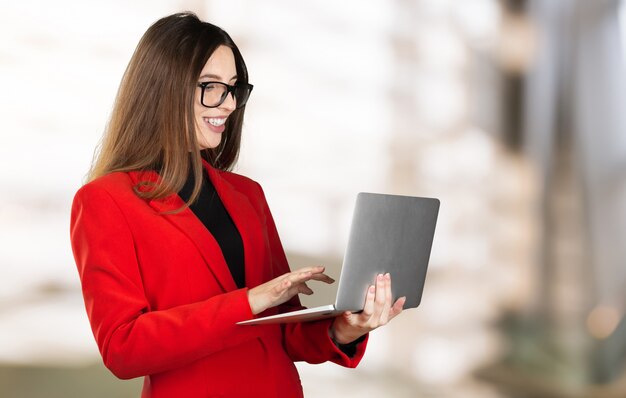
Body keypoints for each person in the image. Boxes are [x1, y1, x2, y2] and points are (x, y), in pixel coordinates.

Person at [70, 12, 406, 398]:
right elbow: (123, 349)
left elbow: (285, 332)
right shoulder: (105, 200)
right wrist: (249, 301)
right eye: (211, 87)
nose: (228, 105)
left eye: (233, 89)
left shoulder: (247, 194)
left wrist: (346, 328)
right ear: (164, 87)